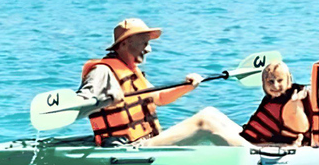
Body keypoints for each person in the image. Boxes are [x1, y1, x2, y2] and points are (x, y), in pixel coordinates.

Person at [77, 18, 250, 147]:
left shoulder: (132, 71)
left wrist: (186, 87)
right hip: (127, 149)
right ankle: (262, 160)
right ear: (126, 43)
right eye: (144, 43)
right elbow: (80, 104)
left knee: (211, 113)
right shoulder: (102, 71)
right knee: (204, 121)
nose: (149, 49)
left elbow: (159, 98)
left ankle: (257, 149)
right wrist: (104, 100)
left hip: (147, 140)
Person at [239, 62, 311, 146]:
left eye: (280, 80)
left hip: (257, 146)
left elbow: (303, 127)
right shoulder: (270, 98)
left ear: (289, 79)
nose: (275, 86)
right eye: (270, 81)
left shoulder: (296, 96)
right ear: (263, 83)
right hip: (253, 139)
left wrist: (296, 103)